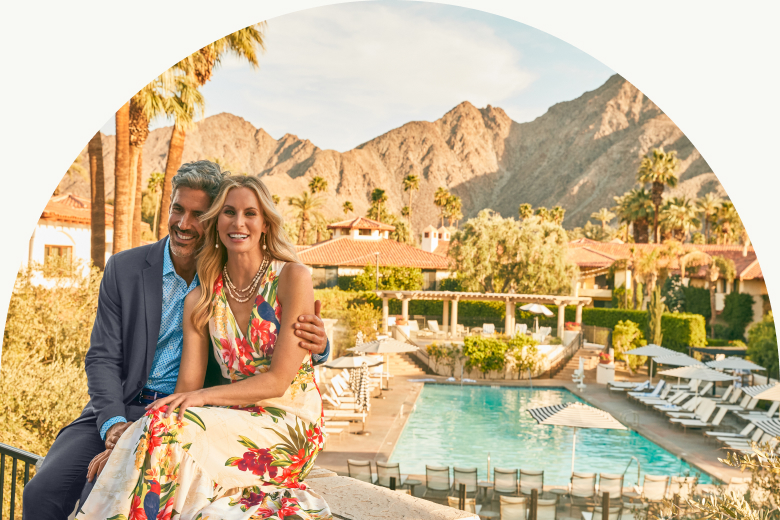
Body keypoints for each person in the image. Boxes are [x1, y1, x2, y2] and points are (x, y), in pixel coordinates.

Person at [22, 161, 330, 520]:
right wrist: (115, 426)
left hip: (188, 415)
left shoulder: (235, 274)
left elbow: (281, 359)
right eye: (178, 209)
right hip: (122, 410)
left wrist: (321, 345)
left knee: (108, 486)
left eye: (198, 214)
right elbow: (102, 358)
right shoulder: (130, 270)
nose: (184, 224)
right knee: (41, 493)